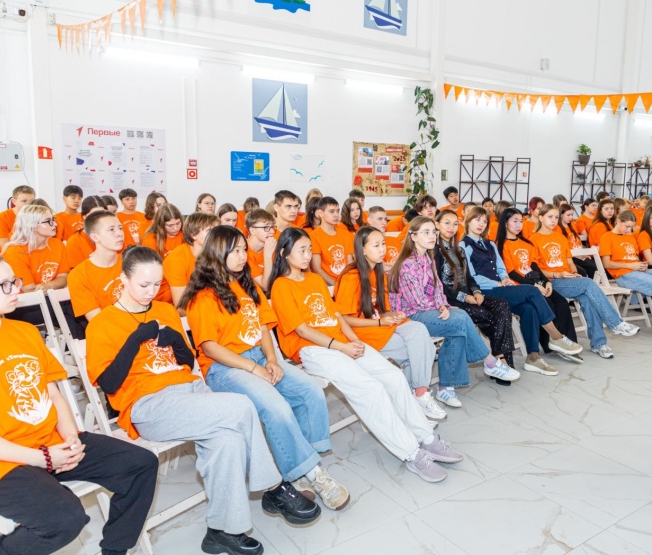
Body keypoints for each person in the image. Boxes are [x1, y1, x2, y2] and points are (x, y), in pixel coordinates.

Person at [86, 246, 282, 555]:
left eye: (157, 284)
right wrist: (135, 340)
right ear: (123, 279)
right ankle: (274, 487)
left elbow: (186, 361)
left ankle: (223, 531)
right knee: (242, 405)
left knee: (228, 441)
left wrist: (176, 339)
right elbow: (109, 385)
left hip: (189, 392)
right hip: (149, 404)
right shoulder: (103, 322)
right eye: (144, 284)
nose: (151, 291)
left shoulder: (165, 311)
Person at [0, 255, 158, 555]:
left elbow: (53, 394)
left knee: (141, 464)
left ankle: (115, 551)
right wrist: (41, 459)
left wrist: (71, 437)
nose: (16, 289)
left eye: (15, 281)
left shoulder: (24, 332)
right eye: (4, 285)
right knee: (65, 519)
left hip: (50, 443)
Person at [269, 227, 463, 483]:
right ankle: (411, 453)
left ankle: (426, 437)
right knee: (371, 389)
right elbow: (303, 330)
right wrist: (342, 347)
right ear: (284, 253)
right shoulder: (281, 286)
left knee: (393, 377)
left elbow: (336, 316)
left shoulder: (314, 280)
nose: (307, 256)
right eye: (301, 250)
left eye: (309, 249)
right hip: (312, 348)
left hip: (340, 341)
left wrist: (354, 340)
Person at [181, 226, 345, 512]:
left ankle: (299, 469)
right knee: (276, 407)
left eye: (244, 250)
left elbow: (264, 330)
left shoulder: (248, 286)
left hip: (258, 357)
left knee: (309, 391)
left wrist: (271, 360)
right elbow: (210, 348)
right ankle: (314, 473)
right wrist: (253, 368)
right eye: (235, 251)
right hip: (225, 367)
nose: (243, 256)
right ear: (217, 253)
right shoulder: (203, 296)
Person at [389, 217, 518, 406]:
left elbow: (437, 289)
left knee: (457, 329)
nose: (432, 236)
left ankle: (446, 389)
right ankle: (489, 361)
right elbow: (417, 301)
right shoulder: (407, 264)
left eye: (433, 232)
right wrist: (441, 308)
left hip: (427, 310)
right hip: (410, 316)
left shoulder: (427, 259)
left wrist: (443, 305)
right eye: (426, 232)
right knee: (460, 319)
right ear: (413, 236)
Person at [334, 226, 446, 420]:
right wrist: (380, 322)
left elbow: (382, 309)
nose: (382, 249)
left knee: (419, 330)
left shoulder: (377, 271)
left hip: (381, 325)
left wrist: (394, 314)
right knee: (421, 351)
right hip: (362, 331)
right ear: (362, 249)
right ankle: (416, 398)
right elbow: (344, 319)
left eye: (383, 244)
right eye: (376, 245)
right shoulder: (351, 277)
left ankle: (414, 397)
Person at [461, 207, 584, 363]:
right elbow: (471, 276)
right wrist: (498, 283)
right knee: (532, 291)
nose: (481, 224)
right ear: (468, 221)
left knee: (529, 309)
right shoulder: (464, 245)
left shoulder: (489, 244)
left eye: (484, 221)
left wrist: (505, 279)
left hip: (501, 287)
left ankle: (533, 357)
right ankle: (556, 336)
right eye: (477, 220)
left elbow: (501, 268)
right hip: (485, 290)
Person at [524, 205, 640, 358]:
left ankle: (599, 344)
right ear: (540, 218)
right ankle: (616, 323)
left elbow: (570, 262)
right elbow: (536, 270)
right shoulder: (533, 240)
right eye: (549, 217)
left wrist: (574, 273)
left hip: (568, 279)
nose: (553, 220)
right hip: (552, 281)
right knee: (589, 284)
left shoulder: (560, 237)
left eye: (556, 217)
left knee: (587, 298)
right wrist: (558, 275)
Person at [434, 211, 533, 376]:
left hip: (469, 294)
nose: (451, 227)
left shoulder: (457, 249)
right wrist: (465, 297)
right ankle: (502, 363)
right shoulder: (434, 251)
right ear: (437, 225)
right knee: (491, 316)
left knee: (502, 305)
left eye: (455, 224)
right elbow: (440, 286)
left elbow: (469, 277)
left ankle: (500, 360)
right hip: (452, 299)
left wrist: (476, 291)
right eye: (447, 223)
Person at [600, 210, 652, 336]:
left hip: (637, 270)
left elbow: (634, 258)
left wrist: (641, 264)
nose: (629, 230)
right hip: (624, 275)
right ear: (618, 221)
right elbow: (607, 264)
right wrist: (631, 265)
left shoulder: (630, 237)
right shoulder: (607, 237)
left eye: (631, 227)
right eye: (627, 226)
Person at [67, 210, 126, 324]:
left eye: (120, 228)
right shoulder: (78, 276)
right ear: (95, 237)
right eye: (111, 229)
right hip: (111, 328)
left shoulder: (131, 262)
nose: (119, 233)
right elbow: (98, 321)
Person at [165, 213, 220, 307]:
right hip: (167, 308)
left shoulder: (215, 253)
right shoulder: (177, 259)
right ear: (193, 234)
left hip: (198, 303)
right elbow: (181, 306)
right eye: (210, 230)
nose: (217, 234)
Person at [310, 197, 354, 285]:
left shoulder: (346, 235)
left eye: (337, 211)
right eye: (331, 211)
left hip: (345, 281)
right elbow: (317, 269)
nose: (336, 215)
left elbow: (349, 264)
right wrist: (336, 285)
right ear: (321, 213)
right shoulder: (313, 236)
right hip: (326, 284)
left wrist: (346, 283)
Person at [66, 196, 108, 269]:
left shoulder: (111, 236)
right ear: (84, 217)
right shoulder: (74, 241)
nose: (99, 218)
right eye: (94, 215)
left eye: (102, 214)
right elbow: (76, 272)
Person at [244, 208, 277, 292]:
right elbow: (265, 286)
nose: (272, 231)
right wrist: (268, 255)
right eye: (266, 227)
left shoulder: (272, 244)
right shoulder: (244, 252)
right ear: (252, 230)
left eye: (272, 227)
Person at [366, 205, 401, 270]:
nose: (384, 222)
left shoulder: (395, 240)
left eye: (385, 219)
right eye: (380, 219)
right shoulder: (366, 242)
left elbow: (404, 260)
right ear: (369, 220)